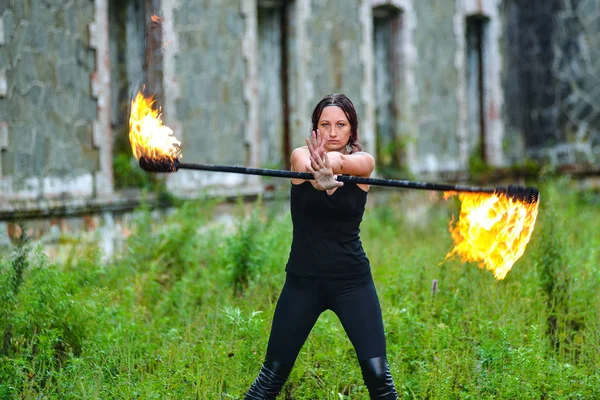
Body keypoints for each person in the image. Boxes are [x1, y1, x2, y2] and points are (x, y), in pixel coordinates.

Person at [244, 94, 398, 399]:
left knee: (379, 376)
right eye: (325, 124)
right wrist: (319, 178)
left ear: (352, 130)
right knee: (271, 377)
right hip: (303, 283)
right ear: (315, 128)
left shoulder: (363, 162)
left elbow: (347, 162)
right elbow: (309, 166)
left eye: (341, 124)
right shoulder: (300, 158)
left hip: (352, 282)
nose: (332, 132)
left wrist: (333, 165)